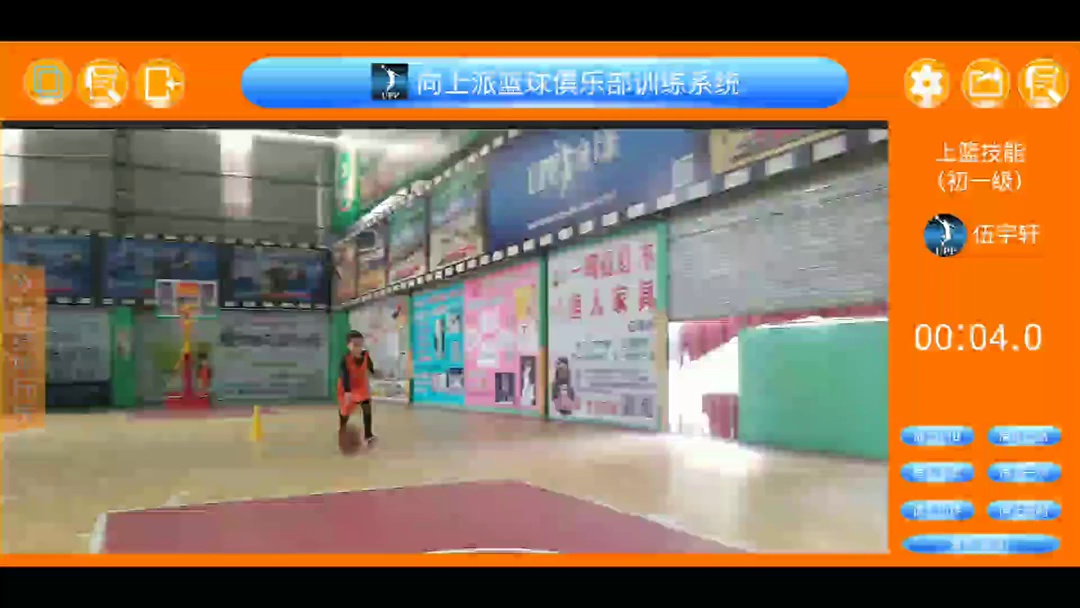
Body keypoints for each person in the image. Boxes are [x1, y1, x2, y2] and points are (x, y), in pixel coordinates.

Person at [338, 330, 377, 444]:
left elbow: (370, 366)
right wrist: (347, 391)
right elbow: (344, 375)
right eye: (355, 345)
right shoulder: (345, 359)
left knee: (367, 407)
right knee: (345, 412)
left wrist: (374, 372)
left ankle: (368, 435)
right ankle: (342, 429)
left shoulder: (366, 355)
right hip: (347, 387)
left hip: (361, 386)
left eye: (360, 344)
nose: (358, 348)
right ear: (348, 346)